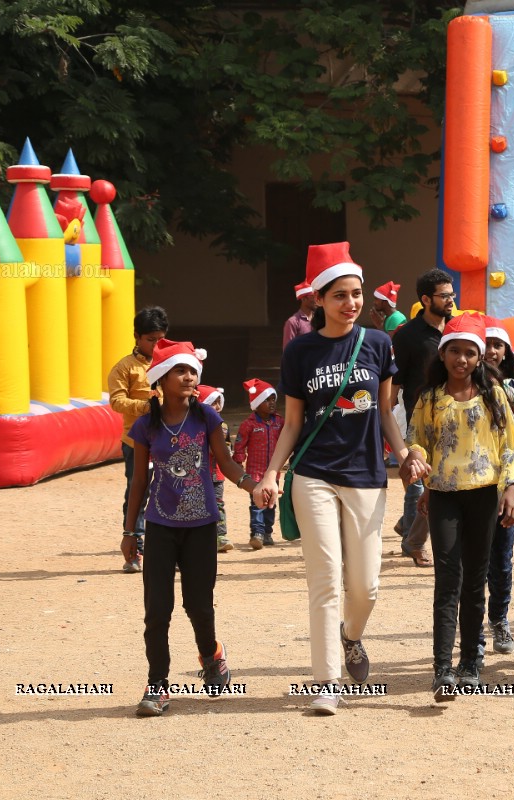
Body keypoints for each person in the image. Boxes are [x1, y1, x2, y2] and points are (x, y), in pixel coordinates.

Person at [253, 242, 416, 715]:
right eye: (340, 295)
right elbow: (292, 423)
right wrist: (271, 472)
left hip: (366, 474)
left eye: (356, 294)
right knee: (324, 579)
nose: (351, 303)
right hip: (314, 474)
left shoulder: (379, 344)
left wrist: (404, 454)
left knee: (365, 587)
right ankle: (325, 682)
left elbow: (385, 412)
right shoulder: (300, 351)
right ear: (318, 300)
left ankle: (352, 636)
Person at [122, 339, 256, 716]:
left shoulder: (206, 418)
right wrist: (130, 531)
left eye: (192, 371)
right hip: (160, 526)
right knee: (156, 610)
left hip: (201, 526)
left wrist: (253, 486)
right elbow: (138, 482)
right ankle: (157, 686)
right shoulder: (146, 424)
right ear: (161, 380)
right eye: (180, 371)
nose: (189, 377)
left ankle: (212, 654)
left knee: (198, 605)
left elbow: (226, 464)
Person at [403, 313, 514, 701]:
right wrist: (416, 459)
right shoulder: (429, 398)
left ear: (480, 358)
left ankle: (471, 665)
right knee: (448, 580)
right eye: (454, 351)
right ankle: (443, 668)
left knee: (476, 581)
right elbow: (417, 438)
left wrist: (512, 489)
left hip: (484, 495)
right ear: (442, 355)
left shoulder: (495, 396)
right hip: (443, 495)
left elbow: (512, 444)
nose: (462, 359)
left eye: (469, 353)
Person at [476, 316, 514, 658]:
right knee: (471, 561)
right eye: (484, 344)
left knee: (500, 559)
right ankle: (470, 628)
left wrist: (511, 457)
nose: (490, 351)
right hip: (467, 486)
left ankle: (499, 623)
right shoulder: (459, 388)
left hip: (507, 487)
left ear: (506, 351)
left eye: (497, 345)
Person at [391, 269, 457, 563]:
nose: (451, 300)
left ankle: (409, 526)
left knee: (444, 481)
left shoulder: (458, 328)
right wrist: (388, 422)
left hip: (456, 419)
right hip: (418, 419)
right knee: (418, 481)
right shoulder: (406, 336)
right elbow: (394, 383)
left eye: (452, 295)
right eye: (445, 296)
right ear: (426, 299)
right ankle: (413, 542)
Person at [108, 305, 169, 574]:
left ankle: (168, 551)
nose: (156, 345)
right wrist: (146, 407)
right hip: (138, 442)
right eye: (150, 339)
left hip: (170, 440)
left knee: (170, 492)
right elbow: (117, 401)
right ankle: (134, 550)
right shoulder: (125, 367)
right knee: (138, 492)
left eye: (160, 339)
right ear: (137, 336)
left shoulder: (170, 362)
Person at [234, 379, 284, 550]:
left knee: (271, 503)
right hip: (255, 473)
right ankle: (257, 533)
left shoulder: (279, 422)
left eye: (273, 399)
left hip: (273, 473)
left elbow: (288, 439)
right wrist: (238, 460)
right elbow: (239, 444)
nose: (271, 403)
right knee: (257, 503)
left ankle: (267, 532)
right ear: (256, 404)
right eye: (266, 400)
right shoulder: (248, 424)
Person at [196, 386, 233, 553]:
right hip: (197, 476)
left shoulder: (222, 425)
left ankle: (220, 536)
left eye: (219, 402)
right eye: (213, 403)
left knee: (217, 504)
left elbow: (226, 448)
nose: (217, 406)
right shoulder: (192, 426)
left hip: (216, 474)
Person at [282, 281, 316, 349]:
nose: (316, 300)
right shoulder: (293, 322)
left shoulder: (319, 320)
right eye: (313, 296)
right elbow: (288, 351)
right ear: (304, 299)